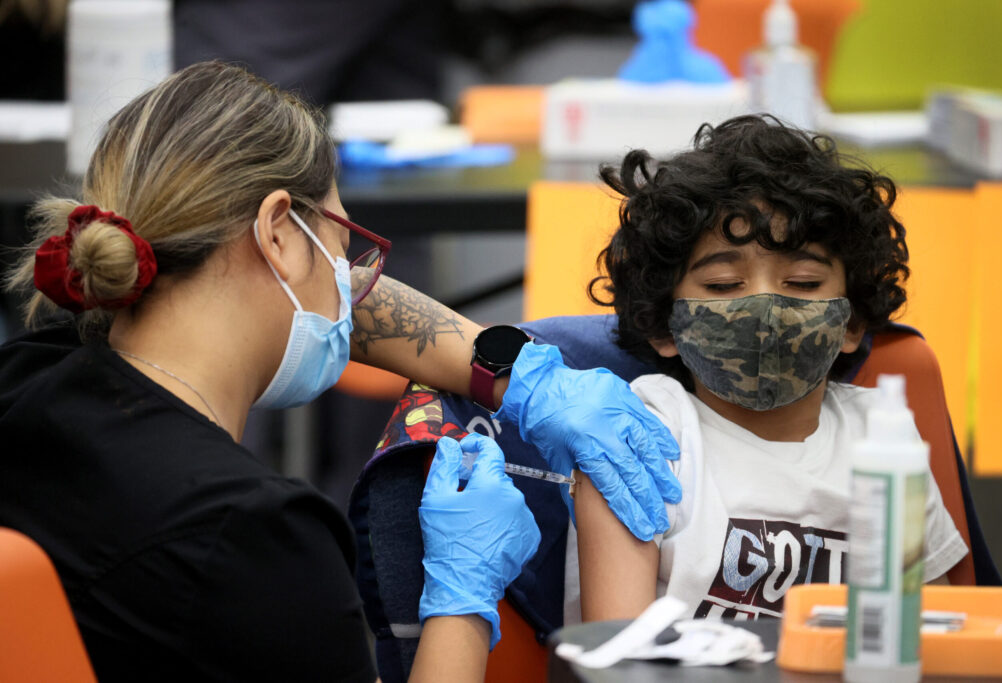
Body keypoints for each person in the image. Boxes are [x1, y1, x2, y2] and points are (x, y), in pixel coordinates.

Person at [0, 61, 681, 681]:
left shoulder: (32, 377)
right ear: (276, 230)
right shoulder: (256, 535)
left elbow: (313, 290)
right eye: (342, 240)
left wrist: (519, 371)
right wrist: (462, 601)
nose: (351, 276)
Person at [569, 115, 969, 623]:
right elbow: (616, 653)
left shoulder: (884, 443)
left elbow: (933, 634)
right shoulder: (641, 439)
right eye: (722, 285)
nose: (765, 309)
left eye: (802, 283)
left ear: (852, 321)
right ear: (664, 325)